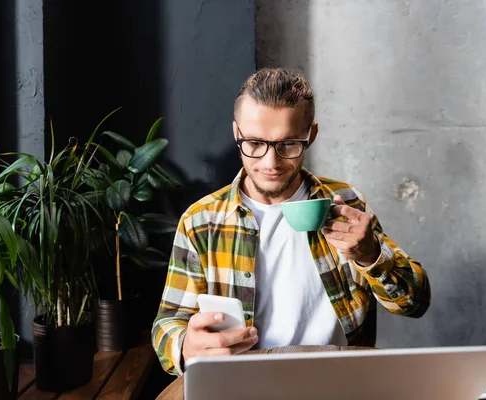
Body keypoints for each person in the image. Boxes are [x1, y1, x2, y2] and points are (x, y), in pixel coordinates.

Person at [151, 68, 431, 376]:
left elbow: (414, 303)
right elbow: (168, 322)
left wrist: (370, 255)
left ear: (311, 136)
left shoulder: (346, 203)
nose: (271, 163)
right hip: (243, 387)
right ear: (236, 134)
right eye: (255, 143)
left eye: (288, 144)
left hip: (341, 384)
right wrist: (184, 346)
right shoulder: (201, 221)